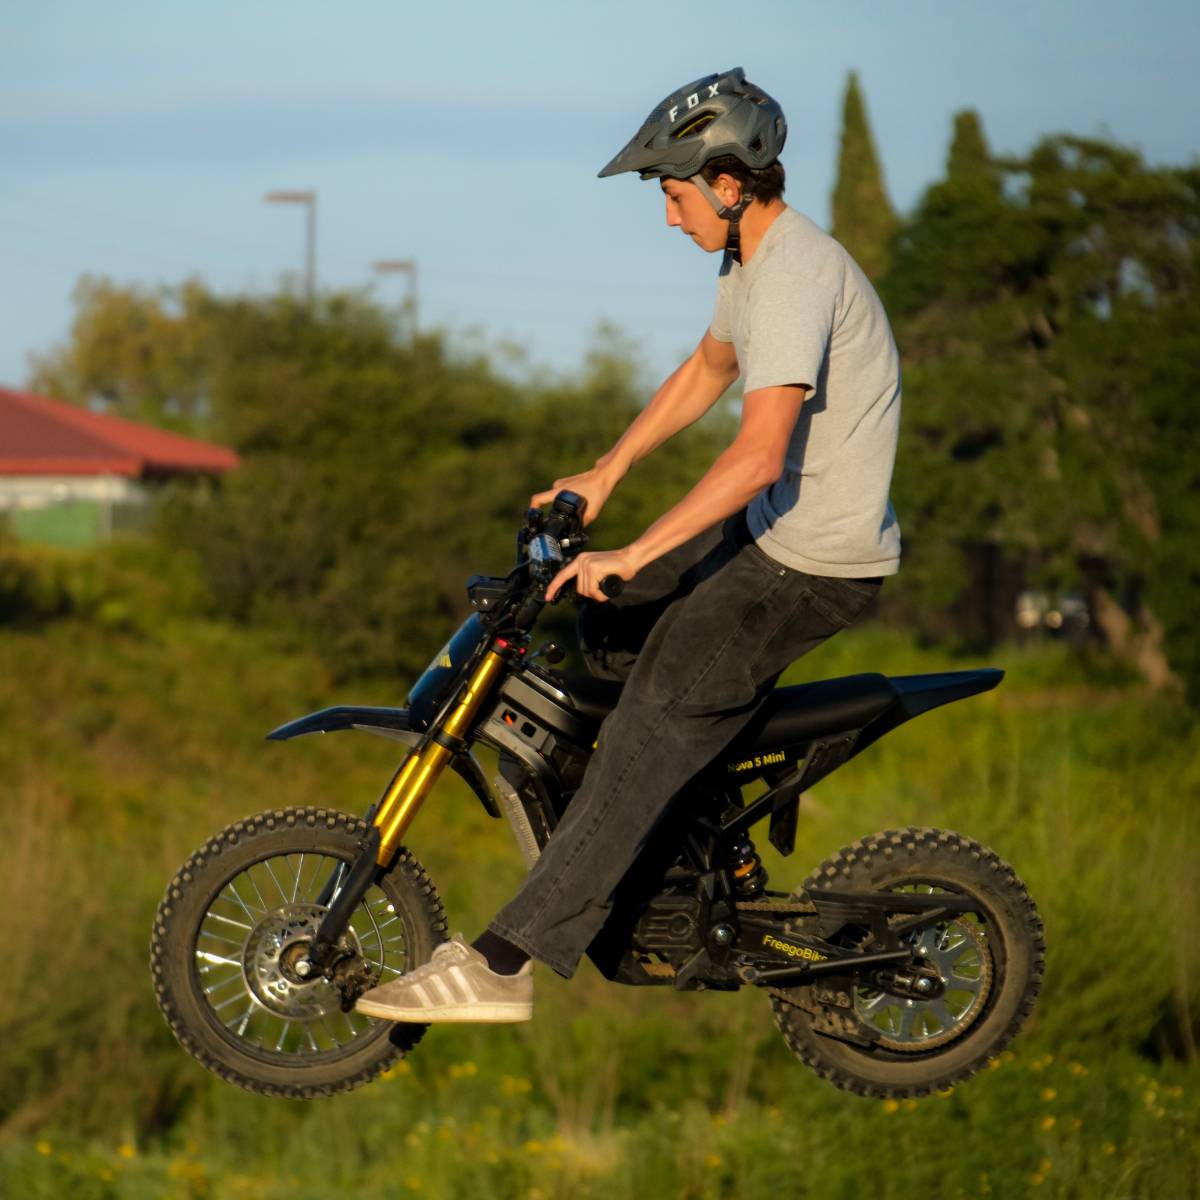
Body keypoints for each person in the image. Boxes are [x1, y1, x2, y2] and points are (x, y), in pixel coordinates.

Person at [355, 67, 902, 1024]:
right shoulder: (754, 265)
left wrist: (635, 545)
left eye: (674, 192)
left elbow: (759, 456)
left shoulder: (798, 278)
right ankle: (666, 845)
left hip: (811, 567)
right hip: (777, 534)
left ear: (729, 184)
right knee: (599, 616)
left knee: (650, 716)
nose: (668, 216)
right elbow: (707, 368)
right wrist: (605, 473)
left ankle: (506, 961)